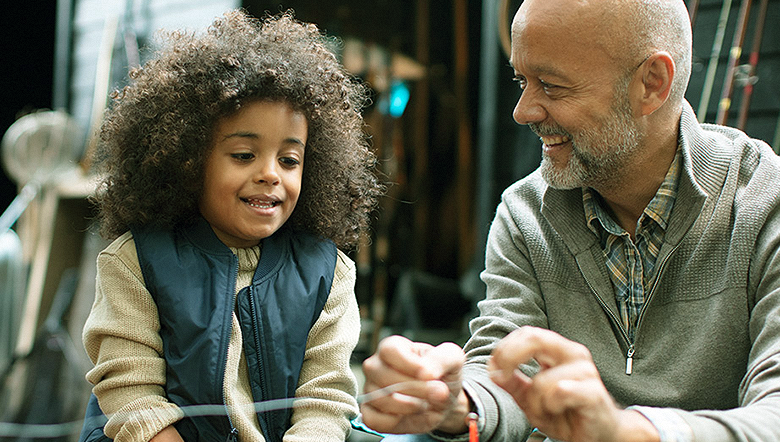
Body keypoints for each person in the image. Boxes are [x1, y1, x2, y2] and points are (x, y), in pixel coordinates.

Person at [359, 0, 780, 441]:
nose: (522, 111)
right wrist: (451, 401)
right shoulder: (525, 213)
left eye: (552, 86)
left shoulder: (763, 203)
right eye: (522, 80)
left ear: (652, 84)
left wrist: (624, 432)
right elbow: (503, 375)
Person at [78, 10, 382, 442]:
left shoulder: (329, 273)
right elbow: (132, 393)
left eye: (289, 160)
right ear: (187, 160)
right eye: (244, 155)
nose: (270, 174)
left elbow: (324, 400)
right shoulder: (135, 261)